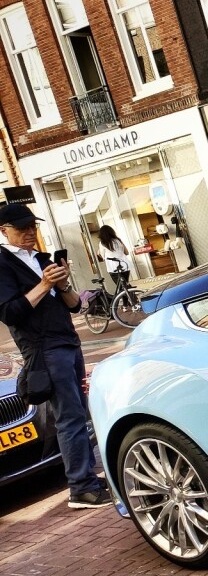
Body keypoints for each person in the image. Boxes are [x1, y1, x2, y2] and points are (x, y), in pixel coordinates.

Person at [0, 203, 110, 509]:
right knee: (69, 417)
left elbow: (75, 306)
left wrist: (61, 285)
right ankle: (81, 488)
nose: (28, 233)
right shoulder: (3, 263)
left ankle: (89, 477)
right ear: (3, 230)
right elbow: (9, 312)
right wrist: (45, 283)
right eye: (20, 228)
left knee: (80, 413)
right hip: (44, 349)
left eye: (31, 227)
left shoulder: (41, 258)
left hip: (68, 342)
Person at [96, 224, 131, 293]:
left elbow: (103, 258)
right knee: (125, 285)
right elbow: (126, 252)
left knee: (121, 287)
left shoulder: (102, 243)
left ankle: (130, 301)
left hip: (114, 268)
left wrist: (98, 253)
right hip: (125, 265)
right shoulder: (118, 240)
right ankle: (130, 301)